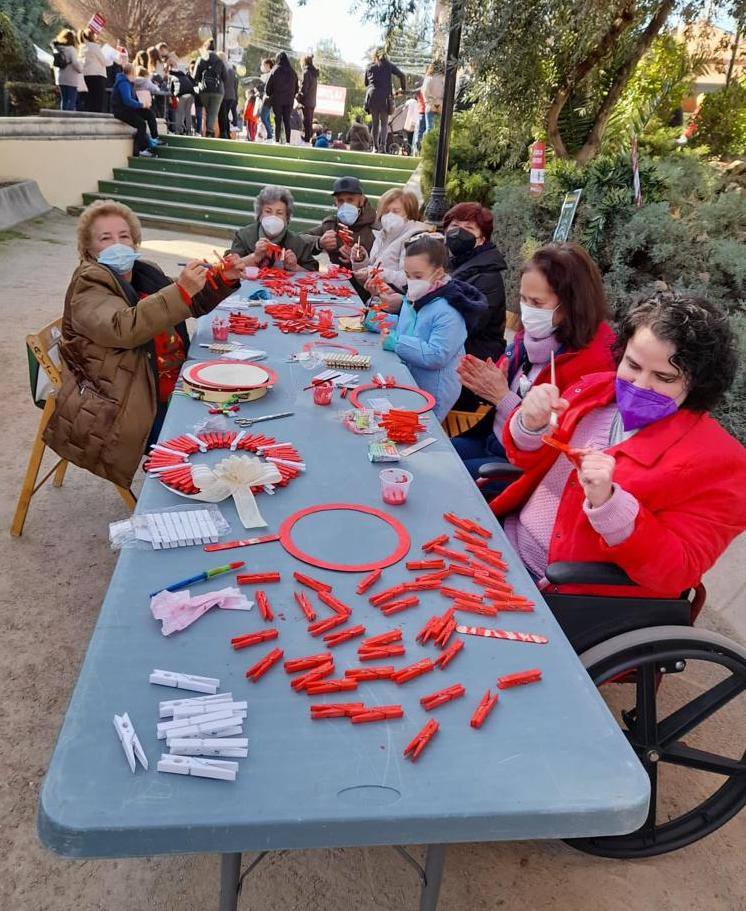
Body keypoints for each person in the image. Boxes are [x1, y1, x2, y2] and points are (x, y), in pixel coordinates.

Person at [492, 293, 746, 599]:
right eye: (632, 364)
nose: (639, 385)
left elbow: (678, 570)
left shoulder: (722, 463)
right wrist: (529, 424)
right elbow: (528, 458)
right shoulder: (596, 389)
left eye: (664, 377)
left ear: (698, 382)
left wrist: (610, 505)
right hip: (504, 542)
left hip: (559, 590)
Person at [43, 200, 245, 489]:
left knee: (231, 412)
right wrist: (181, 291)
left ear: (135, 240)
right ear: (89, 249)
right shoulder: (89, 285)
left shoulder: (143, 272)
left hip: (160, 376)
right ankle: (176, 490)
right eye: (105, 238)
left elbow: (186, 303)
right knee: (202, 442)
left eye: (124, 236)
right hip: (121, 393)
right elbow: (124, 327)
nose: (118, 243)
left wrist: (221, 279)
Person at [453, 243, 616, 481]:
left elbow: (556, 444)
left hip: (521, 466)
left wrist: (501, 397)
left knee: (445, 477)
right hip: (491, 439)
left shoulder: (593, 364)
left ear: (572, 304)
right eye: (523, 299)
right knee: (433, 456)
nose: (527, 311)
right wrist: (487, 384)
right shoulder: (533, 336)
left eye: (537, 303)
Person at [383, 234, 487, 422]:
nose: (412, 281)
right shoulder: (417, 295)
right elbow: (408, 327)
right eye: (407, 275)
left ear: (438, 273)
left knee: (420, 431)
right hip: (411, 377)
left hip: (434, 390)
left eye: (418, 276)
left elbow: (437, 355)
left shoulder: (449, 310)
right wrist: (383, 322)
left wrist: (396, 342)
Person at [444, 202, 507, 377]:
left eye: (469, 228)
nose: (459, 233)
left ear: (482, 239)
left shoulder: (488, 276)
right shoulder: (451, 263)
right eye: (455, 226)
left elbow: (467, 324)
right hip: (454, 354)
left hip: (472, 364)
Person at [352, 189, 427, 298]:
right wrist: (361, 260)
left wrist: (375, 272)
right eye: (386, 211)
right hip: (377, 300)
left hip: (397, 305)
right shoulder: (382, 235)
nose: (389, 216)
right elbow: (368, 279)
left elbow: (408, 280)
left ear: (409, 213)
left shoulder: (413, 239)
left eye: (396, 211)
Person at [229, 185, 319, 272]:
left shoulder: (297, 243)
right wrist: (255, 256)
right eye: (268, 211)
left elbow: (314, 273)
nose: (273, 217)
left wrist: (295, 267)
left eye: (279, 213)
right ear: (260, 214)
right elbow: (229, 268)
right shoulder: (244, 236)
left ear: (287, 217)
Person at [304, 176, 377, 266]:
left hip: (369, 278)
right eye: (340, 201)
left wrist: (361, 258)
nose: (345, 205)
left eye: (350, 200)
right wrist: (319, 243)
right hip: (338, 277)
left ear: (361, 201)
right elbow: (298, 240)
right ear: (335, 203)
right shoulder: (331, 225)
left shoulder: (376, 225)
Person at [364, 48, 406, 153]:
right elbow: (402, 75)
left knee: (375, 123)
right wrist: (403, 89)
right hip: (385, 98)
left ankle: (375, 147)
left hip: (372, 97)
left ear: (374, 55)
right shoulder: (388, 65)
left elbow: (366, 83)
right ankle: (382, 147)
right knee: (384, 124)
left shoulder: (369, 66)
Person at [111, 64, 157, 158]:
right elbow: (127, 100)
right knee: (141, 124)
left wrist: (141, 106)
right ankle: (140, 150)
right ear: (131, 74)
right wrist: (141, 105)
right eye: (134, 74)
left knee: (148, 114)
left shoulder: (128, 82)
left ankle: (154, 136)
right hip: (122, 111)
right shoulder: (123, 83)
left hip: (128, 109)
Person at [194, 39, 226, 138]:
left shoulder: (201, 59)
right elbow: (225, 77)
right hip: (217, 91)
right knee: (213, 112)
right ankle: (209, 132)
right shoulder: (219, 60)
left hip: (204, 90)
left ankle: (204, 131)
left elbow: (195, 76)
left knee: (207, 111)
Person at [266, 52, 299, 144]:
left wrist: (270, 94)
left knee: (278, 120)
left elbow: (268, 88)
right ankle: (288, 142)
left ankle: (276, 140)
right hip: (289, 100)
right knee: (287, 120)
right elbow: (297, 89)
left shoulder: (274, 70)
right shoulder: (293, 72)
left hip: (277, 99)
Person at [51, 29, 82, 111]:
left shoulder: (58, 49)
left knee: (64, 100)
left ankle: (62, 118)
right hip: (71, 79)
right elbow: (75, 63)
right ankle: (69, 120)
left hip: (61, 77)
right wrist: (80, 69)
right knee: (71, 100)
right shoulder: (72, 50)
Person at [78, 27, 107, 113]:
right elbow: (104, 61)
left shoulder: (82, 47)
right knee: (98, 99)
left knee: (90, 99)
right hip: (97, 75)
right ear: (92, 36)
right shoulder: (94, 46)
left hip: (86, 75)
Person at [167, 54, 194, 135]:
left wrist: (171, 96)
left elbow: (171, 88)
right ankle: (189, 131)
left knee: (179, 113)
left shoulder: (172, 75)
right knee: (187, 113)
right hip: (191, 93)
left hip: (182, 94)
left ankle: (178, 131)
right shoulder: (181, 74)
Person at [298, 54, 319, 143]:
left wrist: (298, 96)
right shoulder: (314, 74)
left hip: (306, 101)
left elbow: (304, 88)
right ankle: (308, 137)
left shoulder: (306, 73)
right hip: (312, 101)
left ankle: (306, 138)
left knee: (306, 120)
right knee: (309, 120)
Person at [422, 61, 445, 135]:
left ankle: (425, 144)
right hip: (441, 104)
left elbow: (425, 91)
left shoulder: (429, 77)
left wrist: (427, 102)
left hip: (431, 104)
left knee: (429, 129)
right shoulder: (444, 78)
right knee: (440, 129)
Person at [218, 53, 238, 139]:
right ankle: (227, 133)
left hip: (223, 95)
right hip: (231, 96)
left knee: (222, 115)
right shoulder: (231, 70)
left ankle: (224, 133)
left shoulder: (221, 68)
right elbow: (235, 84)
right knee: (225, 114)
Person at [258, 57, 274, 141]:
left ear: (267, 65)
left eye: (263, 65)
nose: (262, 67)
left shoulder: (270, 74)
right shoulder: (269, 74)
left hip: (268, 99)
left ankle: (270, 134)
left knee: (263, 117)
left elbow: (268, 88)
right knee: (266, 117)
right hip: (267, 98)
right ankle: (269, 135)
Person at [412, 89, 426, 154]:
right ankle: (421, 150)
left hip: (422, 113)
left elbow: (411, 92)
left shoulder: (420, 91)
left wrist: (400, 92)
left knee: (419, 133)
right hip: (430, 112)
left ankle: (418, 150)